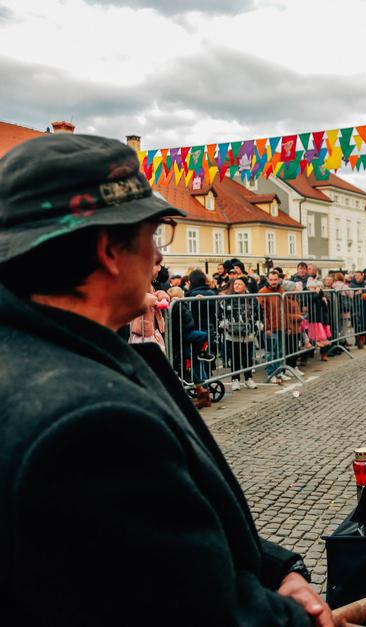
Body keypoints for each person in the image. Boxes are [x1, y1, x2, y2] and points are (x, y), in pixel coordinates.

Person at [0, 134, 334, 625]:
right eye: (154, 234)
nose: (159, 257)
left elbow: (171, 527)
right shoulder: (89, 423)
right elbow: (191, 605)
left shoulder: (52, 346)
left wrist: (274, 567)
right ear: (109, 249)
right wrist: (295, 616)